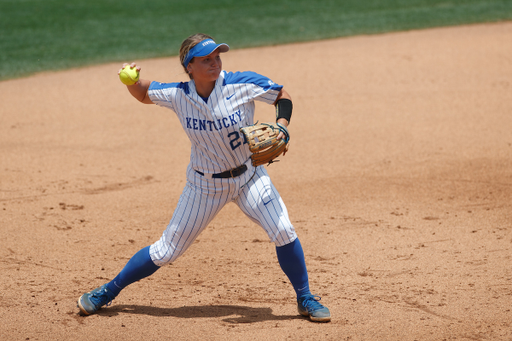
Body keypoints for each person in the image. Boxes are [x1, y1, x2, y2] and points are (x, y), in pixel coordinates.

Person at [77, 33, 331, 323]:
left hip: (250, 177)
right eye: (206, 60)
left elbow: (282, 95)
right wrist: (131, 82)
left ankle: (305, 297)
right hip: (205, 185)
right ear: (190, 66)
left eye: (217, 57)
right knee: (166, 251)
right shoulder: (178, 94)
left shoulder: (241, 83)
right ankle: (106, 292)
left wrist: (282, 126)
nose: (215, 64)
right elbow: (145, 93)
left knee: (284, 230)